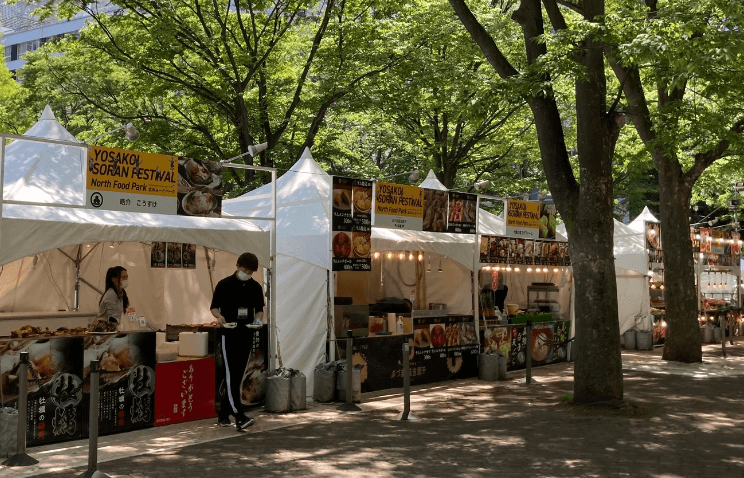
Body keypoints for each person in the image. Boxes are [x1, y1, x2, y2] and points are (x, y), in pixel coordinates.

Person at [210, 252, 265, 431]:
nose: (247, 272)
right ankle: (239, 416)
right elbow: (214, 308)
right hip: (228, 335)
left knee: (236, 377)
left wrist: (257, 321)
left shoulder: (256, 287)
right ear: (237, 265)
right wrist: (220, 318)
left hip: (246, 335)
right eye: (245, 269)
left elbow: (259, 310)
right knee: (229, 375)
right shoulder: (224, 284)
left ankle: (223, 413)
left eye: (250, 271)